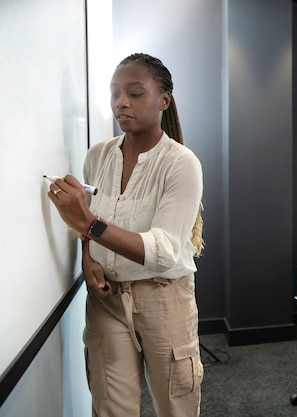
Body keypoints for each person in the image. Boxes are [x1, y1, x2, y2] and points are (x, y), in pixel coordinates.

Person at [47, 53, 204, 417]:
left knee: (176, 408)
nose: (121, 102)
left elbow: (163, 251)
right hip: (107, 301)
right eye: (115, 93)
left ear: (163, 100)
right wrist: (88, 260)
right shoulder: (97, 156)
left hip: (164, 298)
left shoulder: (181, 163)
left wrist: (87, 222)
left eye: (134, 93)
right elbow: (90, 230)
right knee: (111, 408)